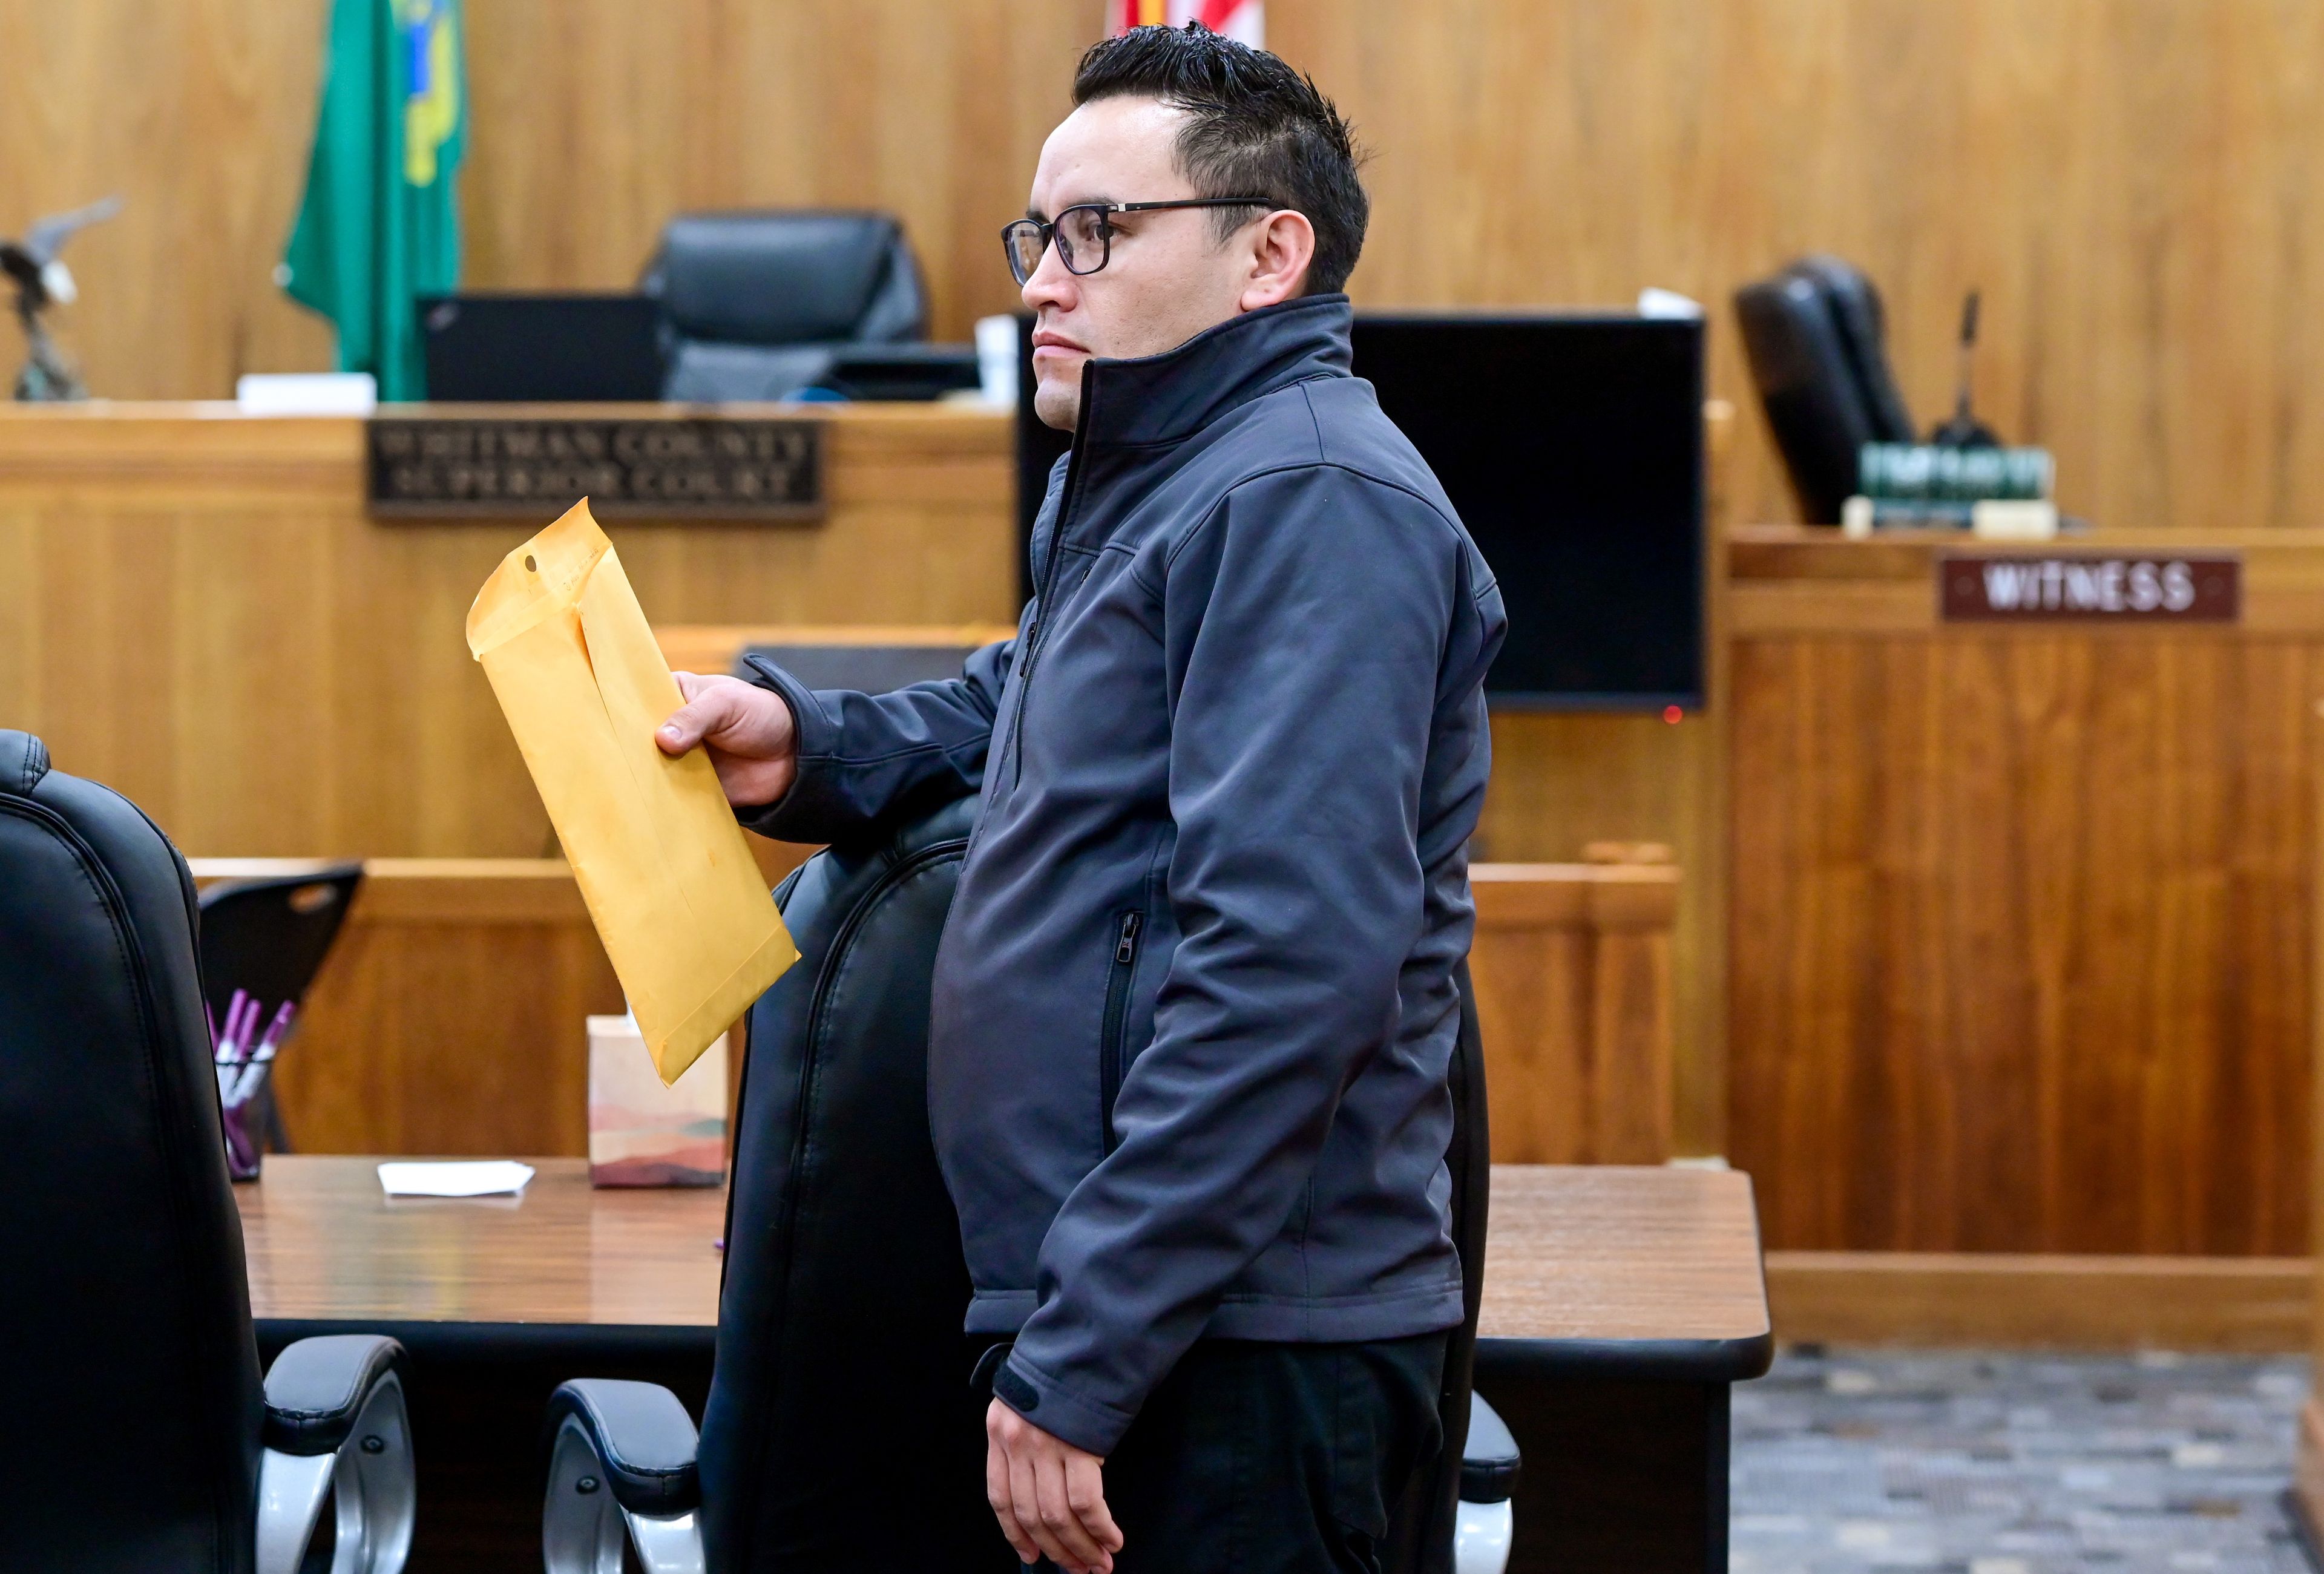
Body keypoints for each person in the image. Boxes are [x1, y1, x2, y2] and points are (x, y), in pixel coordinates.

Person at [657, 22, 1505, 1574]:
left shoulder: (1305, 495)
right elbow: (1026, 702)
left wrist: (1087, 1348)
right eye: (1040, 234)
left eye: (1098, 233)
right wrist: (808, 740)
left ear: (1269, 254)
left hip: (1242, 1339)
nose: (1043, 277)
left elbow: (1284, 976)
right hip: (1167, 1309)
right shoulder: (1169, 474)